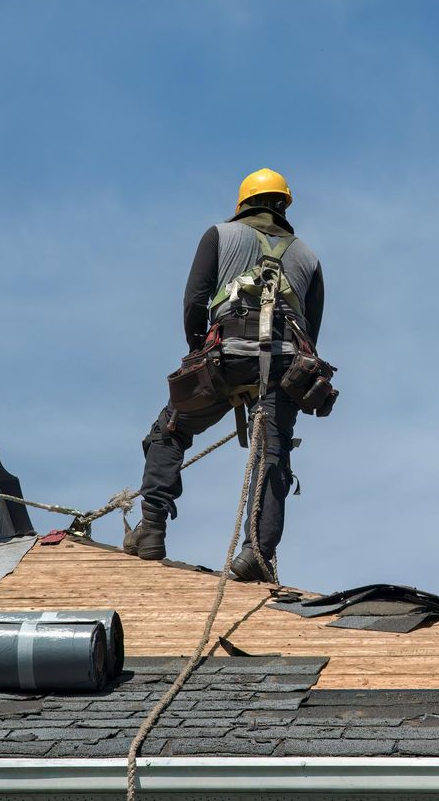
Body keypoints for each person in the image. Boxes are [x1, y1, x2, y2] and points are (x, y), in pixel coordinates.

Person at [126, 168, 326, 581]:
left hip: (226, 357)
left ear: (242, 204)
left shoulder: (219, 234)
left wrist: (196, 351)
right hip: (285, 365)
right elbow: (312, 332)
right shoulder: (309, 256)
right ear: (283, 205)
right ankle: (256, 553)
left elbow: (194, 301)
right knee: (272, 452)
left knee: (170, 429)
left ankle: (152, 529)